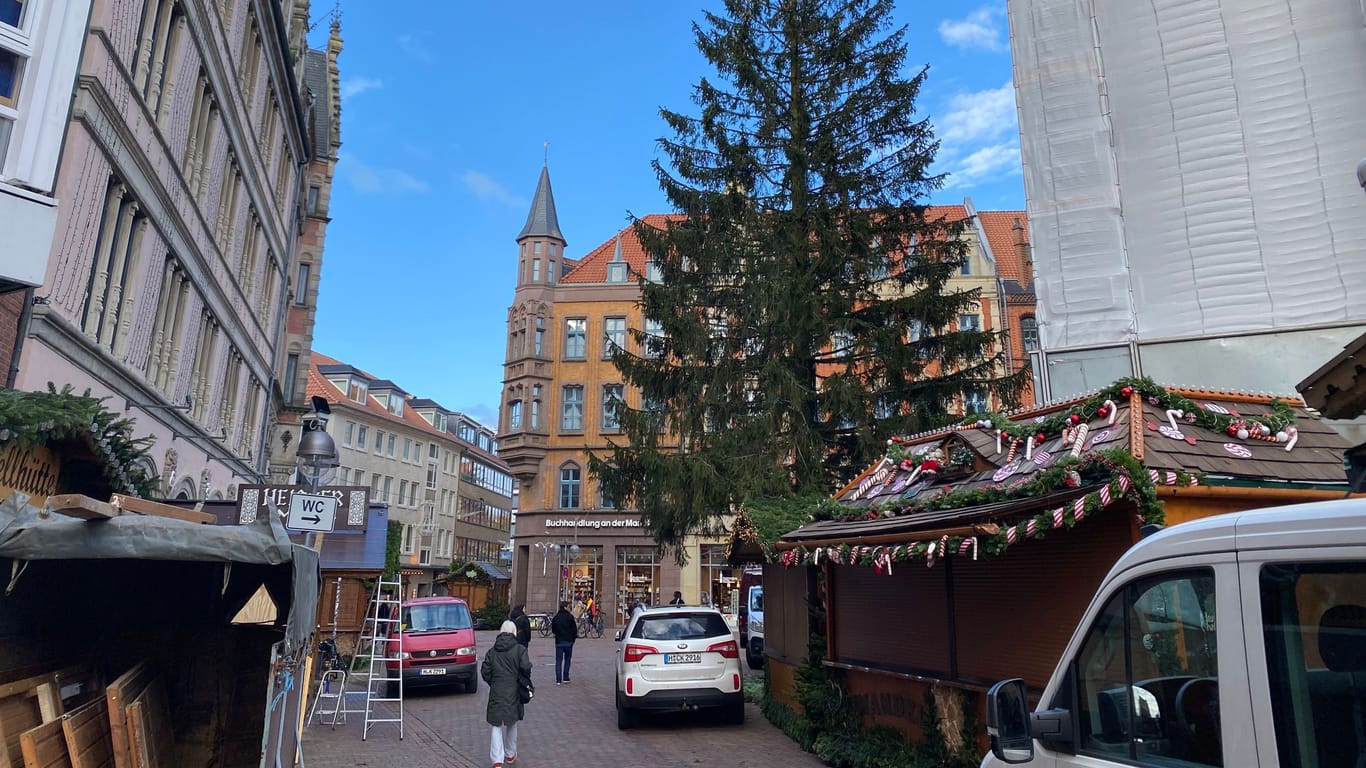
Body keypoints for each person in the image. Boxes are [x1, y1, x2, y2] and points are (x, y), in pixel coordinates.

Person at [482, 620, 532, 768]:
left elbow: (485, 672)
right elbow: (526, 667)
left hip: (497, 690)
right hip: (514, 690)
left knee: (496, 725)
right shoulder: (520, 649)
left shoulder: (492, 651)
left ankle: (497, 760)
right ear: (514, 632)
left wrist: (494, 682)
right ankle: (510, 754)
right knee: (512, 722)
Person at [550, 600, 577, 685]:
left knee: (558, 660)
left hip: (559, 641)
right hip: (569, 642)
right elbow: (574, 629)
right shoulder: (570, 617)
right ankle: (565, 677)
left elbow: (553, 629)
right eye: (569, 607)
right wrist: (573, 639)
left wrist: (557, 635)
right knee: (567, 659)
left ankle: (558, 679)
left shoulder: (556, 617)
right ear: (565, 607)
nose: (570, 608)